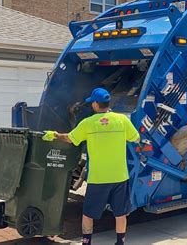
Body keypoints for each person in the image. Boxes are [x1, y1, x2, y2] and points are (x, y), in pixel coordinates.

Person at [42, 88, 140, 245]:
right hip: (120, 176)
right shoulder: (122, 120)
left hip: (98, 178)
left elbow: (70, 138)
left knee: (88, 214)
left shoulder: (88, 124)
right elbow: (136, 138)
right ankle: (120, 242)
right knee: (120, 214)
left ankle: (87, 242)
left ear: (95, 104)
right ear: (108, 103)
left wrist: (54, 134)